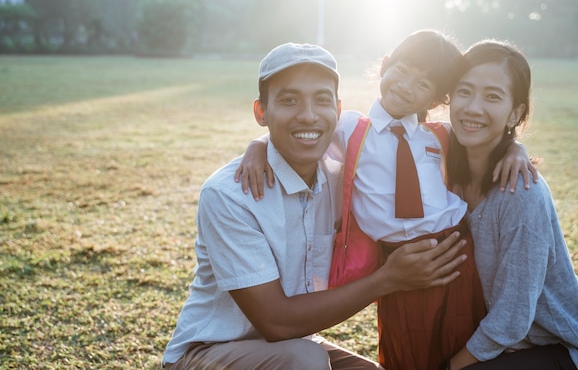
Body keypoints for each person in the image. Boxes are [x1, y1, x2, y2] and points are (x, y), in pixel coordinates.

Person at [235, 30, 537, 370]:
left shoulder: (440, 136)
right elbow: (303, 128)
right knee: (405, 351)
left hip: (454, 257)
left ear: (435, 101)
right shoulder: (350, 129)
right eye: (403, 70)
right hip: (398, 266)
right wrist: (257, 146)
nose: (407, 86)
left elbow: (488, 140)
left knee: (458, 347)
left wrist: (516, 148)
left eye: (424, 85)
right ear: (384, 65)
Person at [161, 42, 471, 370]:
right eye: (289, 100)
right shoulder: (229, 195)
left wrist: (512, 150)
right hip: (211, 351)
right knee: (306, 361)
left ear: (337, 110)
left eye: (321, 100)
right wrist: (388, 279)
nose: (308, 114)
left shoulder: (343, 179)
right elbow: (275, 322)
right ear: (261, 113)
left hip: (293, 344)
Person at [444, 39, 578, 370]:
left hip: (573, 345)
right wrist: (516, 146)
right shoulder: (442, 159)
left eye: (492, 96)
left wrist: (453, 366)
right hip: (520, 344)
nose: (472, 107)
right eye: (464, 91)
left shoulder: (520, 193)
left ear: (516, 112)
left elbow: (512, 317)